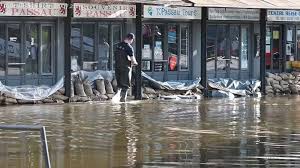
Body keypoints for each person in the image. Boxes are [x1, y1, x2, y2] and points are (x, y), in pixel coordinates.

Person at [114, 33, 138, 102]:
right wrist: (135, 63)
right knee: (125, 85)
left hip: (117, 67)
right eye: (132, 40)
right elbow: (133, 59)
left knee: (119, 84)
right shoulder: (129, 47)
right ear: (131, 39)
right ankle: (122, 102)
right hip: (125, 68)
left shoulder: (118, 45)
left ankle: (115, 99)